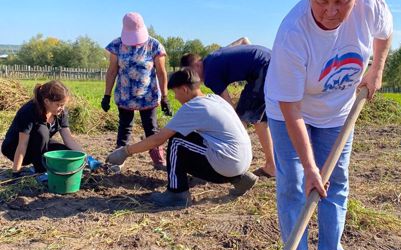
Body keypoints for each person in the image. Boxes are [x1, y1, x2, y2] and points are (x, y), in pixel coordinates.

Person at [264, 0, 393, 250]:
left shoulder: (369, 4)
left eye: (342, 2)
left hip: (338, 111)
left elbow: (384, 34)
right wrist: (309, 165)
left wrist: (376, 71)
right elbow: (290, 108)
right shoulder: (294, 33)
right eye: (322, 1)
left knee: (335, 183)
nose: (332, 12)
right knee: (294, 184)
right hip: (291, 111)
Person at [106, 68, 258, 208]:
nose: (176, 97)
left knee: (177, 141)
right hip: (243, 161)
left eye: (175, 93)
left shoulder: (193, 107)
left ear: (184, 89)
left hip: (227, 164)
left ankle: (177, 194)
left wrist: (125, 151)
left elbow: (158, 139)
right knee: (190, 137)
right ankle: (240, 179)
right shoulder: (216, 100)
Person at [180, 42, 276, 178]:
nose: (193, 79)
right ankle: (271, 165)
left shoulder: (210, 73)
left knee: (243, 118)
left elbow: (228, 107)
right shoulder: (213, 56)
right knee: (260, 119)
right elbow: (243, 40)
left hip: (263, 67)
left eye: (191, 73)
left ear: (196, 65)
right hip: (270, 60)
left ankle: (238, 163)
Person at [101, 12, 172, 169]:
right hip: (124, 95)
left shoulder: (154, 46)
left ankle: (158, 160)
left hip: (149, 95)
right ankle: (118, 160)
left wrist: (165, 97)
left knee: (151, 128)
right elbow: (112, 71)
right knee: (125, 127)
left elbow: (161, 72)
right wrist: (106, 95)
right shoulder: (116, 46)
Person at [1, 81, 84, 174]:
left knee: (66, 153)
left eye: (63, 104)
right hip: (14, 148)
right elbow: (22, 144)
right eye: (59, 105)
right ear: (47, 101)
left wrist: (84, 157)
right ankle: (40, 171)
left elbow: (68, 139)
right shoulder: (29, 111)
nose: (62, 108)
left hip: (38, 145)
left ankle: (46, 167)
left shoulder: (60, 112)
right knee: (42, 130)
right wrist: (16, 171)